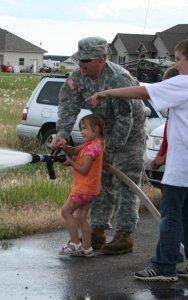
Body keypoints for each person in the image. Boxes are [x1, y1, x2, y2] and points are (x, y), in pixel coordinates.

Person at [89, 39, 188, 282]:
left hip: (183, 168)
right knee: (184, 217)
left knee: (171, 217)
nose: (176, 65)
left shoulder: (184, 83)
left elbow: (143, 91)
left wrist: (106, 92)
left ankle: (164, 267)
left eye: (178, 59)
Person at [52, 37, 147, 255]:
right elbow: (68, 107)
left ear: (101, 60)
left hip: (130, 136)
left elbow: (126, 119)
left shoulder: (119, 78)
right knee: (100, 182)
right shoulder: (77, 77)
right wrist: (63, 135)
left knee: (126, 184)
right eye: (79, 60)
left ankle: (124, 235)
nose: (81, 65)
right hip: (102, 134)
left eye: (86, 61)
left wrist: (109, 152)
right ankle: (98, 230)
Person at [59, 114, 104, 257]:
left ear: (96, 129)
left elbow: (84, 169)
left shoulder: (92, 149)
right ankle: (87, 247)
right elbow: (73, 151)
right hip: (92, 190)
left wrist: (71, 163)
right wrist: (64, 146)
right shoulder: (93, 144)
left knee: (66, 212)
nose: (82, 132)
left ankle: (74, 243)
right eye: (81, 129)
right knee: (82, 217)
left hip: (83, 189)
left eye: (85, 128)